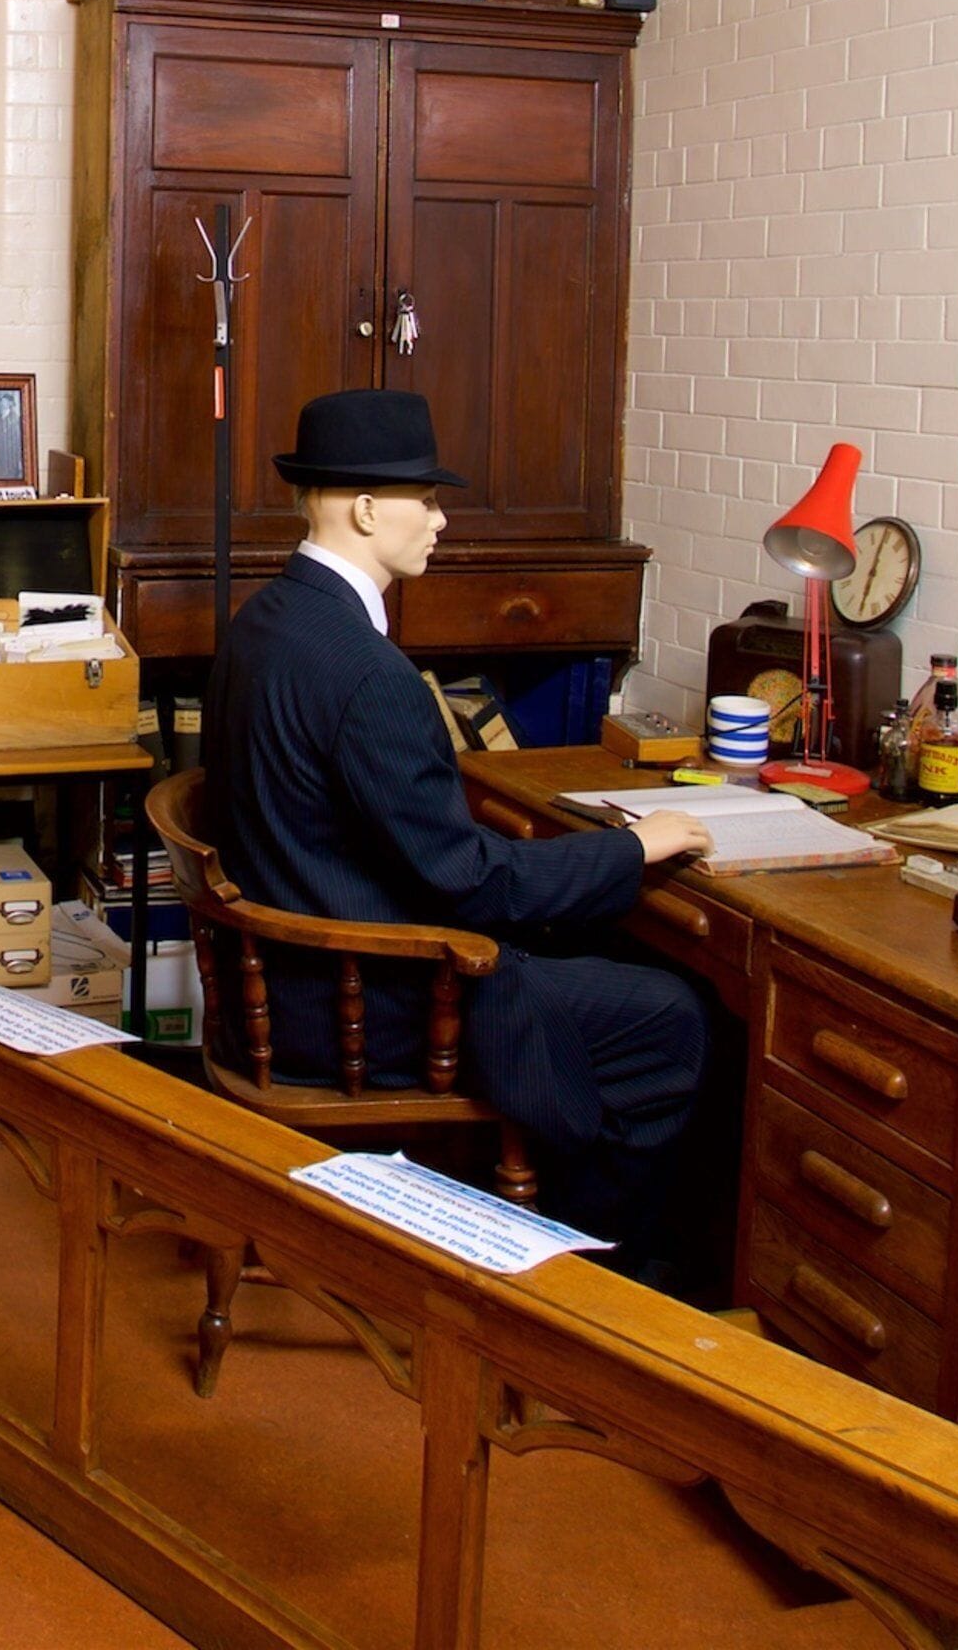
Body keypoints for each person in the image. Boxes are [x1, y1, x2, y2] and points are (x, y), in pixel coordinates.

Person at [202, 387, 714, 1269]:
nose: (440, 521)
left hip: (288, 974)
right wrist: (637, 844)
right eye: (429, 501)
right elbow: (469, 881)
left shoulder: (264, 623)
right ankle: (594, 1281)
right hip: (355, 1005)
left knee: (608, 965)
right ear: (366, 510)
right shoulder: (371, 674)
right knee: (671, 1014)